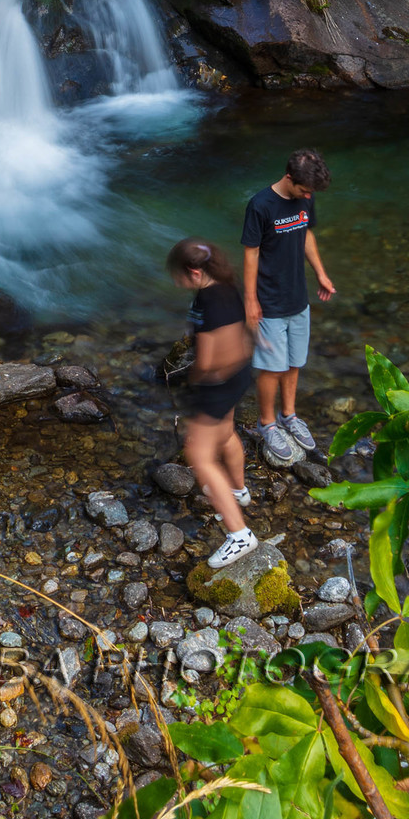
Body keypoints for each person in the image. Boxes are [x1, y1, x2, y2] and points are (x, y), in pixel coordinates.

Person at [166, 237, 258, 571]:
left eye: (177, 275)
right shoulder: (228, 287)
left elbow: (205, 358)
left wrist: (193, 382)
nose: (176, 281)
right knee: (225, 433)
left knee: (200, 457)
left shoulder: (205, 301)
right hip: (240, 374)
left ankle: (239, 535)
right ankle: (238, 490)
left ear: (193, 272)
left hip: (217, 382)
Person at [242, 148, 336, 469]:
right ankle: (267, 424)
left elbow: (307, 234)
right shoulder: (260, 205)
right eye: (304, 190)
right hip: (269, 300)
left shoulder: (306, 197)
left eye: (311, 192)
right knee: (272, 367)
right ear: (289, 178)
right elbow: (251, 254)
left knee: (295, 361)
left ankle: (288, 416)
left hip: (298, 296)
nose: (308, 196)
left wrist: (321, 273)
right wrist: (251, 300)